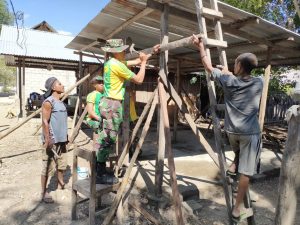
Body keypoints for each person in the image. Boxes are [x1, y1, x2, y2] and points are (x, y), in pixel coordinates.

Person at [192, 34, 263, 222]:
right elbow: (241, 80)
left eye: (236, 63)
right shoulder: (259, 82)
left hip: (232, 132)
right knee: (246, 172)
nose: (234, 65)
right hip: (249, 132)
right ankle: (238, 207)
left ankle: (233, 169)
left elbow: (208, 66)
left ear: (239, 66)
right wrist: (229, 73)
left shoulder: (228, 81)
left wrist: (200, 46)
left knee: (240, 157)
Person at [95, 39, 159, 184]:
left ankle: (99, 168)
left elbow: (135, 61)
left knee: (106, 136)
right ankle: (100, 174)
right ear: (117, 52)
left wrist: (151, 52)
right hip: (112, 104)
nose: (124, 52)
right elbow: (139, 79)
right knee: (108, 139)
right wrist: (143, 63)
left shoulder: (112, 63)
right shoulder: (117, 65)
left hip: (108, 103)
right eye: (123, 50)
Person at [41, 77, 68, 203]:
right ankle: (43, 192)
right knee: (47, 166)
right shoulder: (48, 102)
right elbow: (45, 121)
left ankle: (60, 183)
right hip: (52, 140)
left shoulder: (61, 102)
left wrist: (65, 138)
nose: (62, 85)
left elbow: (61, 121)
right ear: (53, 87)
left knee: (62, 163)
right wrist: (48, 139)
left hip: (62, 140)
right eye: (60, 83)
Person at [85, 76, 104, 150]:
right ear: (94, 85)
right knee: (99, 129)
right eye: (99, 83)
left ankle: (100, 151)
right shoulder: (92, 95)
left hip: (101, 119)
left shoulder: (105, 95)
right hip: (93, 119)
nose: (102, 84)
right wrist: (100, 119)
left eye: (103, 82)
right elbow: (90, 112)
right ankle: (96, 152)